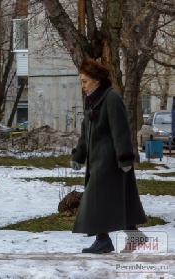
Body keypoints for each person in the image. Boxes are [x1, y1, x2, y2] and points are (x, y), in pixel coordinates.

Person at [70, 57, 147, 254]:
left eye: (85, 81)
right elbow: (86, 132)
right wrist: (79, 155)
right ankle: (133, 236)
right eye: (81, 81)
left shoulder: (111, 97)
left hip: (110, 160)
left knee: (98, 199)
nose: (82, 85)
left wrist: (125, 159)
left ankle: (103, 240)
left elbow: (120, 130)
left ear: (96, 80)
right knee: (117, 199)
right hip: (97, 159)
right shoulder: (93, 100)